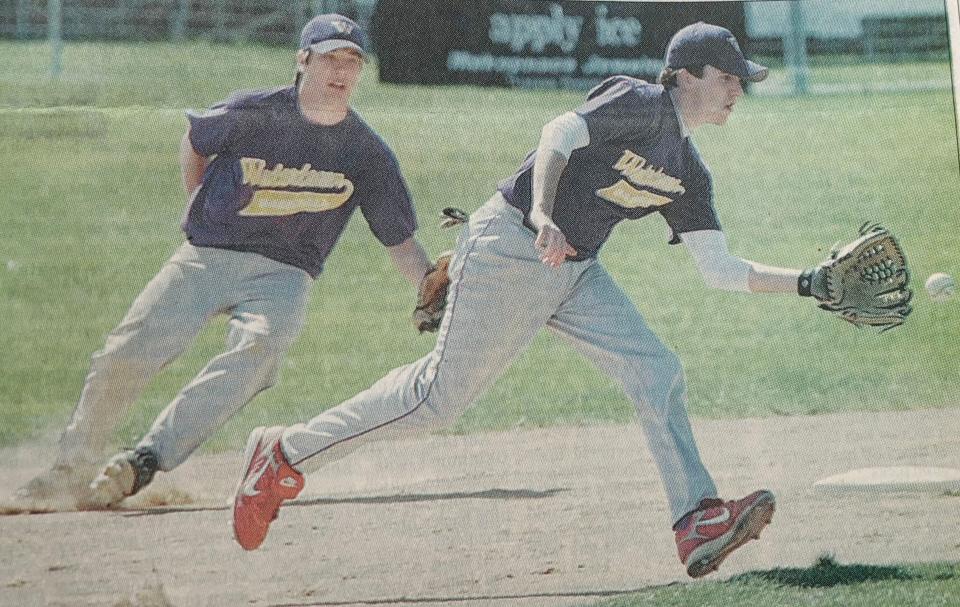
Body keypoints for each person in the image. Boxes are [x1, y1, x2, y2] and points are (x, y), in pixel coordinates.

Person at [232, 22, 811, 578]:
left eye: (741, 80)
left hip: (574, 269)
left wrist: (809, 282)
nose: (738, 90)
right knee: (436, 400)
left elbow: (720, 269)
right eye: (728, 77)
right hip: (512, 244)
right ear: (686, 75)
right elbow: (561, 131)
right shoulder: (642, 102)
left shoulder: (689, 170)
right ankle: (284, 453)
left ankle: (697, 519)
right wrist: (541, 212)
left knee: (655, 370)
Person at [14, 14, 431, 511]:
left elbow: (400, 241)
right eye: (329, 57)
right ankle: (70, 467)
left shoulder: (367, 152)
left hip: (284, 273)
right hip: (207, 255)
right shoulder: (253, 112)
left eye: (352, 60)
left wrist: (430, 286)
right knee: (128, 351)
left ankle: (145, 459)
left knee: (262, 349)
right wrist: (195, 196)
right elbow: (196, 141)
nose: (341, 69)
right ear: (303, 60)